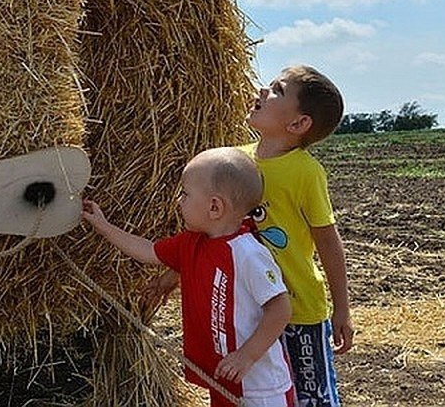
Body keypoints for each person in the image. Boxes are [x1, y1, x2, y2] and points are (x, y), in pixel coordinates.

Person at [144, 65, 354, 407]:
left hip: (299, 310)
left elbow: (328, 241)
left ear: (298, 124)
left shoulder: (305, 172)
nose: (261, 91)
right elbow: (214, 237)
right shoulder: (235, 162)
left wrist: (342, 308)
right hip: (248, 316)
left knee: (310, 398)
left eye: (277, 90)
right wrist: (172, 275)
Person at [82, 147, 296, 407]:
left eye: (185, 194)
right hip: (224, 378)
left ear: (214, 207)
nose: (179, 201)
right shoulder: (191, 243)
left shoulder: (249, 254)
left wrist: (247, 356)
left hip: (261, 388)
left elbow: (280, 309)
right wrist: (104, 227)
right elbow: (147, 250)